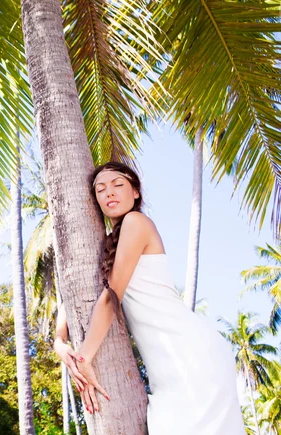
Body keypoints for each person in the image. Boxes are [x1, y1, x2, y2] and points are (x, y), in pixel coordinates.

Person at [53, 161, 246, 434]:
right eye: (100, 189)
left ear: (135, 193)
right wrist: (60, 344)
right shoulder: (108, 247)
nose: (109, 192)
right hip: (166, 368)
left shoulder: (136, 222)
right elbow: (75, 297)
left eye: (118, 185)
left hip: (189, 355)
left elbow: (111, 296)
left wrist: (82, 359)